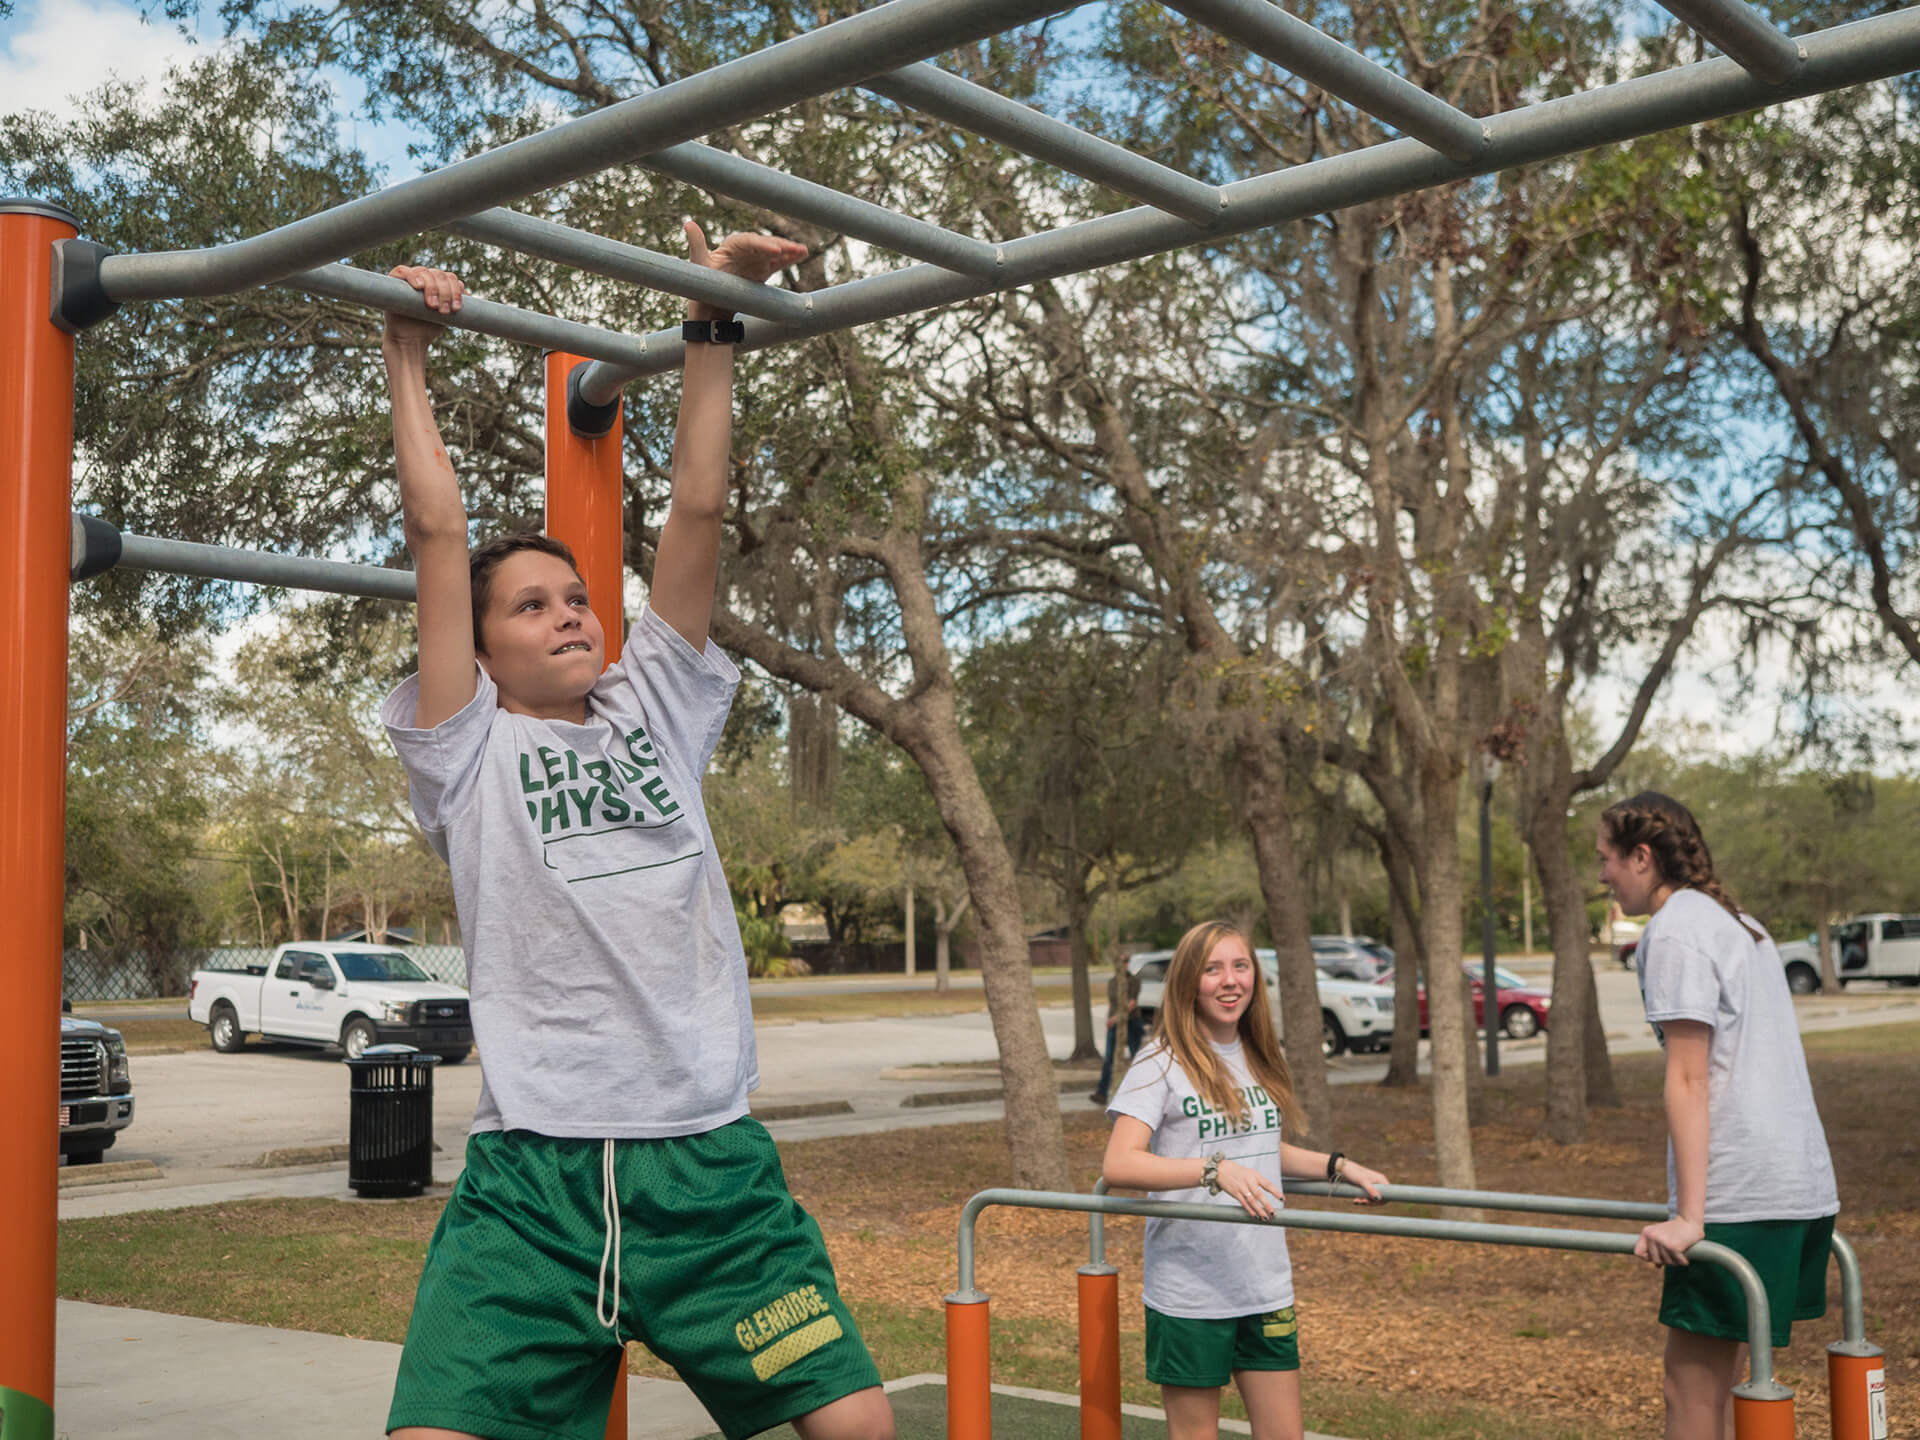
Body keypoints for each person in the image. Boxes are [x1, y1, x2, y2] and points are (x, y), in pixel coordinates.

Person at [375, 234, 895, 1440]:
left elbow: (700, 504)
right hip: (532, 1191)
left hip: (707, 1172)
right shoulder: (470, 747)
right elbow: (437, 534)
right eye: (532, 605)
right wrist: (406, 350)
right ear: (483, 649)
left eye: (575, 597)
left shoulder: (656, 704)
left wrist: (713, 313)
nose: (568, 613)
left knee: (855, 1427)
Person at [1597, 792, 1839, 1440]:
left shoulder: (1675, 931)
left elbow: (1688, 1075)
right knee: (1731, 1388)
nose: (1601, 876)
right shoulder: (1740, 922)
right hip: (1800, 1187)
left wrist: (1689, 1218)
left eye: (1606, 859)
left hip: (1742, 1197)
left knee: (1691, 1392)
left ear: (1642, 857)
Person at [1102, 921, 1388, 1440]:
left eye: (1240, 966)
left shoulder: (1256, 1055)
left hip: (1264, 1284)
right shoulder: (1159, 1063)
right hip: (1191, 1290)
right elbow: (1120, 1164)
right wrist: (1213, 1171)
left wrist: (1337, 1166)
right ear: (1189, 981)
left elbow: (1257, 1149)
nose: (1229, 980)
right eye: (1212, 969)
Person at [1089, 955, 1144, 1105]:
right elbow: (1112, 1003)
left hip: (1131, 1022)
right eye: (1120, 962)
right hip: (1114, 1024)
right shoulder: (1112, 982)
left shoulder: (1134, 981)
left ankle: (1140, 1093)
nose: (1123, 964)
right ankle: (1102, 1093)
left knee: (1137, 1058)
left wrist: (1116, 1018)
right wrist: (1110, 1018)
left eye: (1126, 961)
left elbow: (1132, 1003)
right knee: (1109, 1059)